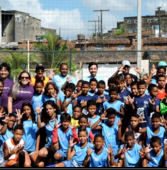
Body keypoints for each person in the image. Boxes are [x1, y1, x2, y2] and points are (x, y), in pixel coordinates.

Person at [17, 102, 44, 167]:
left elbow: (38, 134)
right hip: (23, 148)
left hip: (32, 149)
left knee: (41, 164)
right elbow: (17, 132)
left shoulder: (35, 120)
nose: (26, 111)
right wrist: (19, 120)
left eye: (28, 109)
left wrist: (37, 150)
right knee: (27, 164)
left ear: (31, 109)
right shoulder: (22, 120)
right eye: (24, 110)